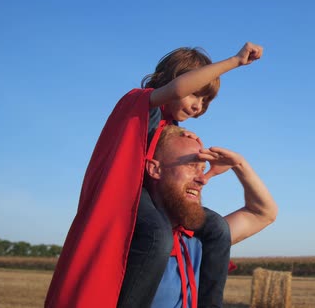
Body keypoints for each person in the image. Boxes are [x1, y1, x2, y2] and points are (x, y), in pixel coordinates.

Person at [46, 42, 263, 308]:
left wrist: (207, 170)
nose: (198, 106)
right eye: (196, 94)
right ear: (175, 80)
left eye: (205, 101)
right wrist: (234, 61)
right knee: (156, 237)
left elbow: (174, 176)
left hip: (155, 195)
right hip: (128, 195)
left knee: (217, 228)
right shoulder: (140, 103)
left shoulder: (173, 127)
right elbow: (176, 90)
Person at [144, 125, 277, 307]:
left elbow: (263, 212)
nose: (202, 179)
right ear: (155, 169)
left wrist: (239, 164)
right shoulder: (129, 240)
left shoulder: (198, 240)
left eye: (203, 169)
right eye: (191, 165)